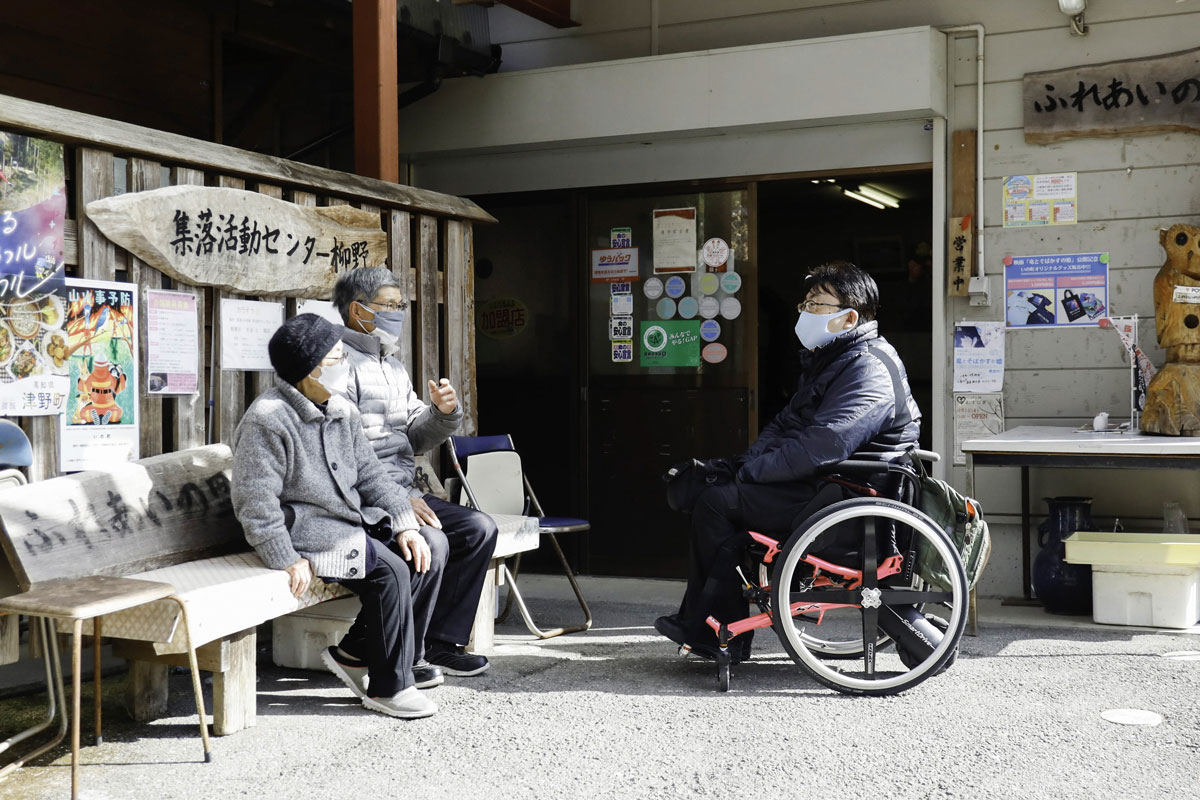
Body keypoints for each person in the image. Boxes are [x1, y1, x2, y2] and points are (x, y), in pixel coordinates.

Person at [655, 261, 921, 661]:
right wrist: (741, 465)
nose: (805, 311)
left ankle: (714, 631)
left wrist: (750, 474)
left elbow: (822, 445)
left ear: (848, 317)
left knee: (717, 503)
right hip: (827, 488)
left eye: (816, 304)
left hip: (845, 501)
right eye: (806, 302)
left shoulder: (868, 368)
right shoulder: (836, 360)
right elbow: (786, 426)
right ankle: (708, 624)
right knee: (718, 490)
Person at [231, 314, 445, 719]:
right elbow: (255, 503)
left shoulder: (340, 408)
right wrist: (285, 557)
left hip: (349, 521)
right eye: (336, 357)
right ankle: (389, 687)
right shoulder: (268, 419)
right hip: (309, 533)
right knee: (391, 572)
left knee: (429, 545)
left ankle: (360, 656)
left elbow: (370, 473)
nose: (343, 362)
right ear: (311, 368)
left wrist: (403, 520)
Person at [332, 267, 498, 677]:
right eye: (389, 306)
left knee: (478, 529)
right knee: (431, 544)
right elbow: (342, 454)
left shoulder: (392, 365)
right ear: (358, 310)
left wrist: (444, 413)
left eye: (398, 306)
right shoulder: (337, 363)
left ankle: (439, 642)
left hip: (402, 493)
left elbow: (414, 439)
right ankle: (402, 658)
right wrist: (397, 499)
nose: (397, 314)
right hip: (363, 501)